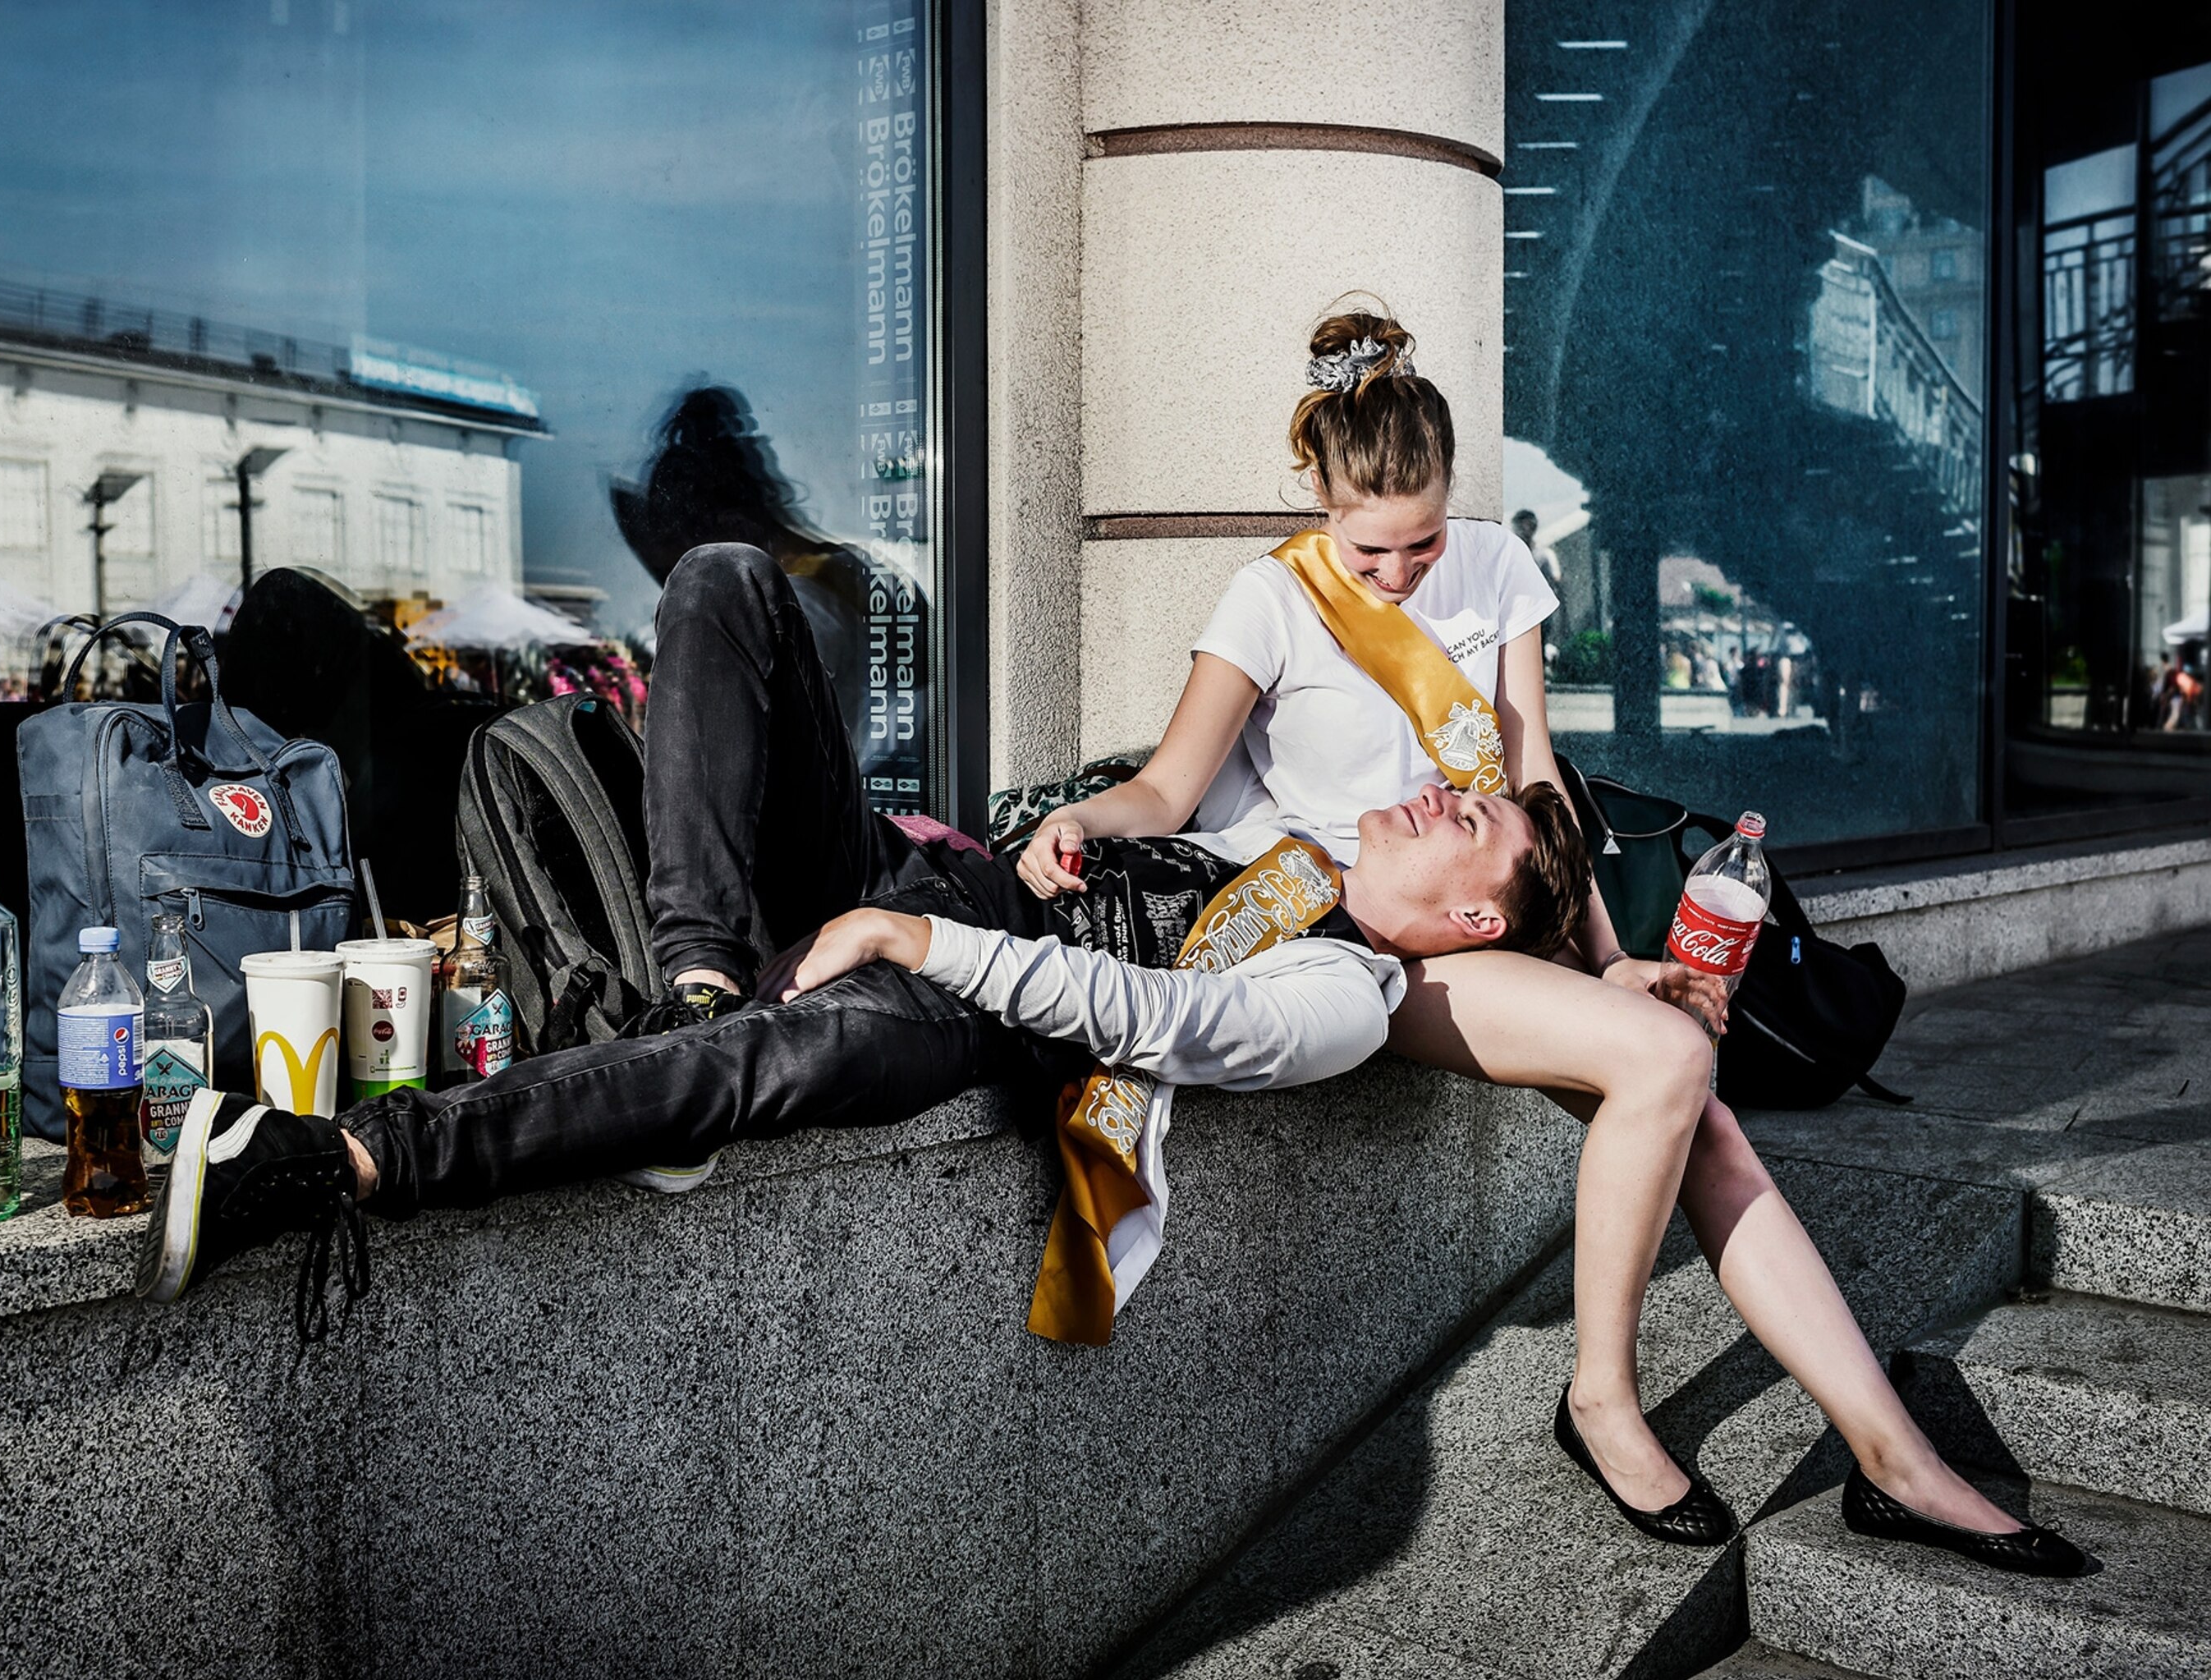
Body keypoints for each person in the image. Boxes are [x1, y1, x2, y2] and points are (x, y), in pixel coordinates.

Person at [1007, 303, 2080, 1576]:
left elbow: (1537, 787)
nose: (1400, 573)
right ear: (1316, 495)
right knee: (1676, 1068)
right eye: (1369, 552)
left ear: (1453, 498)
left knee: (1701, 1103)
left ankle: (1895, 1459)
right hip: (1341, 935)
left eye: (1420, 541)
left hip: (1481, 913)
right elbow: (1171, 792)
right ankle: (1603, 1398)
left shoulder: (1498, 569)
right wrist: (1079, 812)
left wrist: (1609, 952)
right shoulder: (1268, 599)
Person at [135, 776, 1594, 1339]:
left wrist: (916, 942)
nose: (1434, 795)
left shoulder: (1346, 989)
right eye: (1457, 788)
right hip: (935, 872)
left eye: (1469, 820)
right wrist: (1074, 826)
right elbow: (1123, 835)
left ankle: (332, 1158)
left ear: (1472, 918)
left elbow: (1152, 1019)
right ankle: (699, 981)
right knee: (727, 586)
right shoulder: (1299, 847)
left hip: (973, 1004)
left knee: (794, 1063)